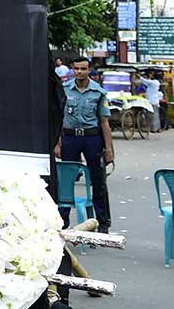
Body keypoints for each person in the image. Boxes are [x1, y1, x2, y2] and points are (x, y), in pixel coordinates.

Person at [54, 57, 114, 233]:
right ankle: (61, 221)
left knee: (98, 180)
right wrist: (57, 144)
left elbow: (104, 123)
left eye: (83, 69)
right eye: (77, 69)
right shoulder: (64, 90)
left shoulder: (98, 92)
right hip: (70, 138)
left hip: (92, 138)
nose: (80, 72)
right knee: (66, 180)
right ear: (73, 70)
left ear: (89, 70)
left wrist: (109, 150)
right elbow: (58, 119)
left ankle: (103, 223)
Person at [140, 69, 163, 133]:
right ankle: (157, 128)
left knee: (151, 115)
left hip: (151, 100)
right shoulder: (156, 83)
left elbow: (144, 81)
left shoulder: (153, 82)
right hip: (155, 100)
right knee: (156, 116)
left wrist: (140, 76)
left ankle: (152, 128)